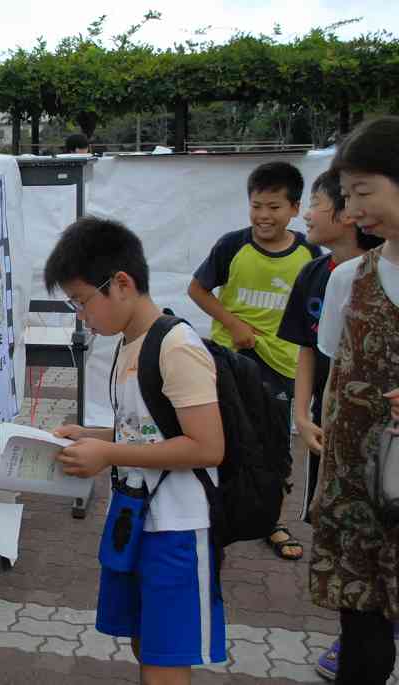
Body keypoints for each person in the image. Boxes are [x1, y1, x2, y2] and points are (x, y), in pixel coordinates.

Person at [46, 216, 226, 683]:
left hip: (178, 528)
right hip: (138, 517)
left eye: (82, 301)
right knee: (145, 638)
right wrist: (93, 437)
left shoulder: (176, 345)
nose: (81, 315)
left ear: (121, 283)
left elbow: (207, 446)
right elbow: (145, 433)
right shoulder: (129, 341)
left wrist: (109, 455)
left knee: (167, 655)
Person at [277, 170, 382, 680]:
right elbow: (320, 359)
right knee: (356, 588)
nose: (304, 215)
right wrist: (304, 414)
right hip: (350, 453)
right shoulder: (333, 277)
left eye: (363, 194)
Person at [188, 161, 320, 561]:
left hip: (283, 367)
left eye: (274, 207)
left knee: (274, 448)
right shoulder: (233, 245)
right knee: (220, 438)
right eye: (256, 206)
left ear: (294, 208)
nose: (263, 216)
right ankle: (213, 512)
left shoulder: (310, 256)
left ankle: (270, 521)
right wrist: (233, 323)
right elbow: (197, 290)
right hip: (230, 362)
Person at [310, 115, 399, 684]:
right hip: (358, 494)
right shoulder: (349, 278)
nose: (353, 209)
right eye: (346, 196)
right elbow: (332, 380)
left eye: (364, 192)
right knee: (362, 633)